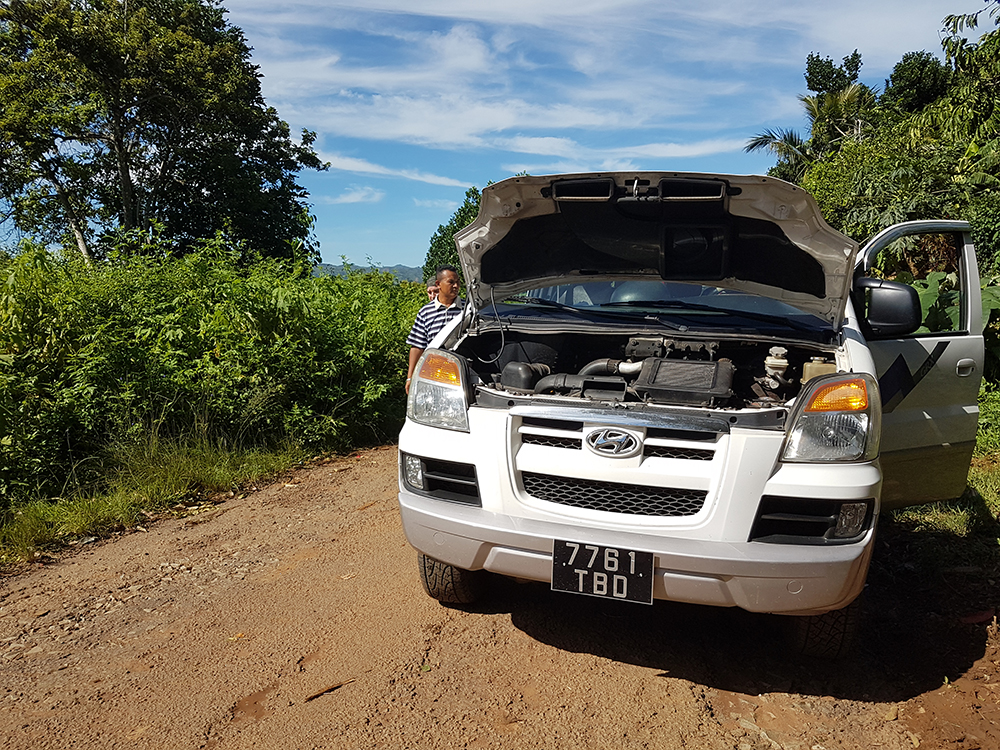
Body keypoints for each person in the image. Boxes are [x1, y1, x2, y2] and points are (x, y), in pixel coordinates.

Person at [406, 266, 463, 394]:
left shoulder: (468, 309)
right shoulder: (425, 312)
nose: (456, 286)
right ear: (438, 284)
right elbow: (417, 346)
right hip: (433, 375)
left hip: (461, 374)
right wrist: (410, 377)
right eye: (451, 282)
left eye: (457, 282)